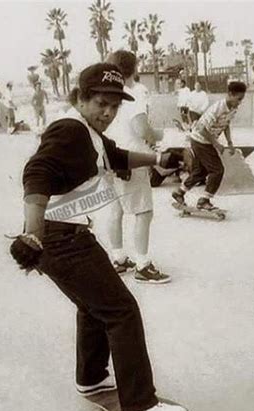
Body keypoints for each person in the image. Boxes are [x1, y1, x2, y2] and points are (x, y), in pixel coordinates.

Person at [9, 62, 188, 411]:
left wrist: (158, 158)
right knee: (122, 310)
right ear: (80, 98)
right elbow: (37, 171)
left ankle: (90, 377)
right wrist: (32, 234)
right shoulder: (69, 130)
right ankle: (140, 406)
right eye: (100, 103)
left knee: (93, 306)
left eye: (114, 106)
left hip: (67, 235)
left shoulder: (87, 132)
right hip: (59, 238)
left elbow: (116, 156)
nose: (108, 112)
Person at [105, 50, 170, 284]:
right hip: (132, 159)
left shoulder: (108, 95)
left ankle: (119, 258)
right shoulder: (133, 95)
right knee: (144, 211)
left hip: (109, 159)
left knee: (116, 210)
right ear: (135, 69)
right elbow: (143, 130)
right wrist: (159, 135)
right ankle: (143, 265)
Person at [172, 81, 247, 211]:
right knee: (217, 170)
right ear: (230, 94)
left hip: (203, 141)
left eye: (242, 99)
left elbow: (226, 124)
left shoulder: (232, 109)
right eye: (238, 99)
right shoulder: (218, 108)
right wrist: (216, 144)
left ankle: (179, 192)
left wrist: (229, 142)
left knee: (200, 171)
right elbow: (202, 129)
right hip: (200, 140)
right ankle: (204, 200)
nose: (239, 102)